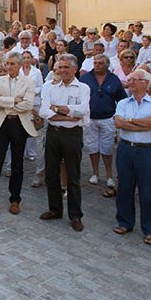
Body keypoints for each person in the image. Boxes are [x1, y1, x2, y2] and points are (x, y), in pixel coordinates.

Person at [0, 52, 37, 215]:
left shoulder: (28, 82)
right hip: (1, 124)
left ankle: (15, 199)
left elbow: (28, 105)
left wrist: (4, 102)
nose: (8, 66)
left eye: (12, 64)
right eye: (7, 64)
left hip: (19, 124)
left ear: (19, 65)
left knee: (17, 164)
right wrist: (13, 100)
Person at [112, 70, 151, 245]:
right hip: (126, 148)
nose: (131, 82)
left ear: (146, 83)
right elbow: (119, 123)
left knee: (148, 190)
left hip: (147, 150)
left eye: (135, 79)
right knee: (124, 187)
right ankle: (125, 222)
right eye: (130, 79)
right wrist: (142, 124)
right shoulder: (123, 102)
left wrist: (131, 122)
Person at [39, 54, 90, 230]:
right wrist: (69, 115)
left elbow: (83, 110)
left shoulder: (83, 88)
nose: (62, 71)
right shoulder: (51, 88)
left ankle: (75, 215)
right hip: (53, 133)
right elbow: (44, 111)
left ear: (75, 69)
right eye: (60, 67)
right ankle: (55, 209)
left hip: (72, 135)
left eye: (66, 67)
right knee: (51, 173)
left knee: (73, 175)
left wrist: (58, 109)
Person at [81, 54, 125, 194]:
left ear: (106, 65)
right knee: (92, 146)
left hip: (108, 118)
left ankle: (109, 175)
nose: (97, 65)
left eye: (100, 63)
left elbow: (122, 99)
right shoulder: (85, 78)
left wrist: (118, 115)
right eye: (95, 62)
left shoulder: (114, 79)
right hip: (90, 118)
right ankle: (95, 173)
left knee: (107, 147)